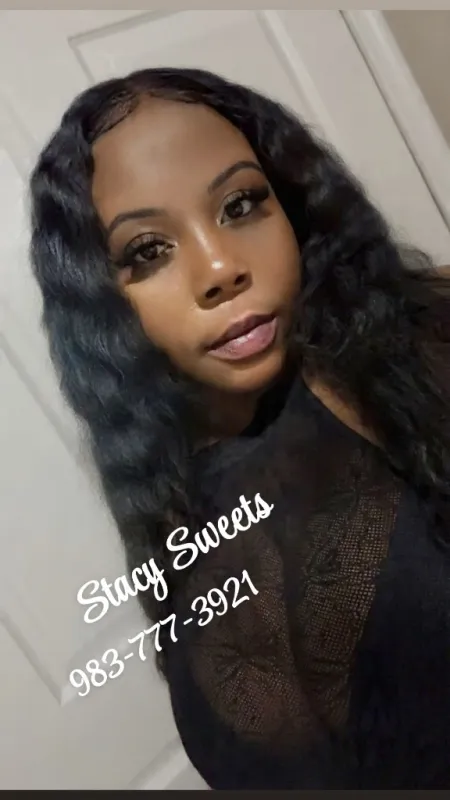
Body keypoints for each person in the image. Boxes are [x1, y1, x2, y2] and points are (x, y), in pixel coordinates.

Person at [28, 67, 450, 789]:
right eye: (148, 251)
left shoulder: (419, 325)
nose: (221, 267)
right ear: (102, 308)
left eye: (241, 204)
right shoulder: (229, 616)